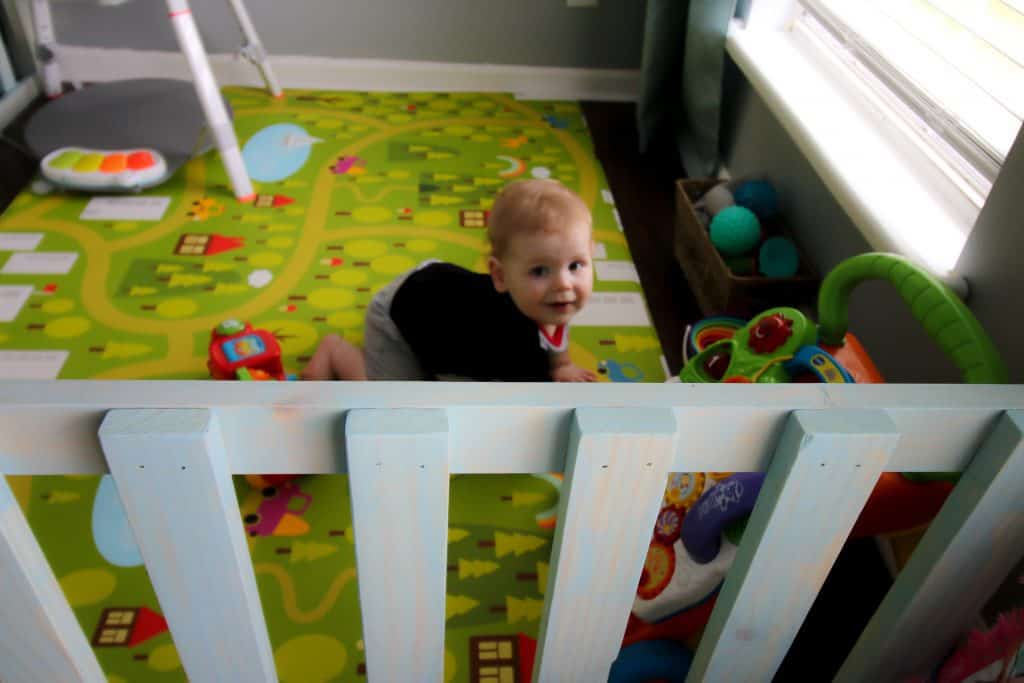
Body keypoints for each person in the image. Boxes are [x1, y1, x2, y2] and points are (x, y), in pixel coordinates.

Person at [301, 178, 598, 382]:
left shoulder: (548, 299)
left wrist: (562, 364)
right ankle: (335, 351)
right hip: (397, 314)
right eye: (540, 271)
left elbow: (556, 326)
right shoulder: (494, 340)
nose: (564, 285)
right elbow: (459, 392)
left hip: (438, 285)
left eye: (576, 265)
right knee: (392, 404)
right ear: (500, 275)